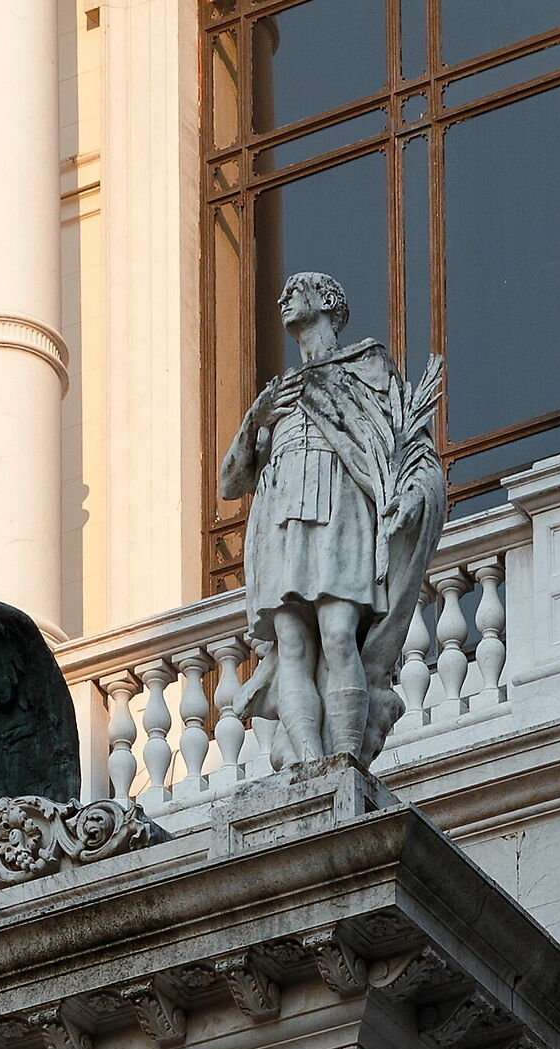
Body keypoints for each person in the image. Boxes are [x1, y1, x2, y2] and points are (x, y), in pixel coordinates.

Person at [218, 271, 444, 763]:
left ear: (326, 300)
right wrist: (255, 421)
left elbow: (410, 447)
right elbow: (230, 483)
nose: (282, 297)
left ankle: (344, 760)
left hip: (340, 511)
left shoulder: (366, 367)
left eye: (295, 290)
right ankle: (308, 764)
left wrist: (408, 496)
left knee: (339, 633)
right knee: (293, 643)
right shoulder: (278, 393)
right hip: (283, 515)